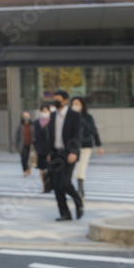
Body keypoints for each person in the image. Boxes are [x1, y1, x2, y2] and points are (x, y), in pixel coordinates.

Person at [48, 90, 83, 221]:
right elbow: (50, 136)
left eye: (58, 99)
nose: (55, 102)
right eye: (54, 99)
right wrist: (50, 153)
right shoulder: (52, 115)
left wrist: (74, 152)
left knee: (65, 183)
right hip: (56, 153)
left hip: (68, 153)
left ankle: (78, 201)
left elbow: (77, 135)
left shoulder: (74, 115)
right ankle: (65, 213)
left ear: (65, 100)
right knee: (56, 185)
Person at [70, 97, 103, 199]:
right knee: (74, 167)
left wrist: (99, 145)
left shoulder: (88, 117)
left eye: (77, 103)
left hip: (85, 147)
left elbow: (94, 131)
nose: (75, 105)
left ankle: (80, 189)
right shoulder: (69, 117)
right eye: (73, 103)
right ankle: (76, 188)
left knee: (81, 167)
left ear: (82, 105)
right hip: (72, 147)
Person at [34, 105, 54, 193]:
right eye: (43, 111)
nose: (44, 112)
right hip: (40, 149)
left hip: (51, 149)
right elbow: (35, 136)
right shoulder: (37, 122)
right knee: (41, 169)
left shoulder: (53, 121)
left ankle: (52, 185)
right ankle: (44, 187)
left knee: (52, 169)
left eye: (46, 111)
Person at [13, 110, 34, 177]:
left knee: (29, 158)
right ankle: (25, 170)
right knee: (23, 158)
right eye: (24, 116)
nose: (26, 117)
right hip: (22, 145)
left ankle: (29, 167)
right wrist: (15, 143)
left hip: (31, 145)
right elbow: (16, 134)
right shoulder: (20, 125)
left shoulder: (33, 125)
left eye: (27, 115)